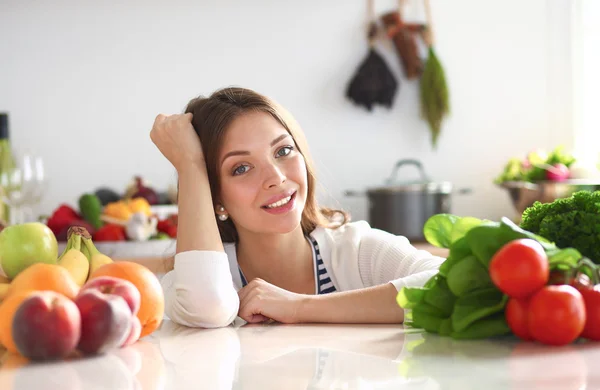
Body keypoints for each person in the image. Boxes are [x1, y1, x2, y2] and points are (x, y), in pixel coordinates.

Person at [151, 86, 445, 329]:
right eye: (241, 168)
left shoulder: (356, 251)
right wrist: (190, 166)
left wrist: (297, 307)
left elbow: (447, 285)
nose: (276, 178)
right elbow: (208, 307)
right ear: (214, 197)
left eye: (283, 151)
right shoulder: (198, 274)